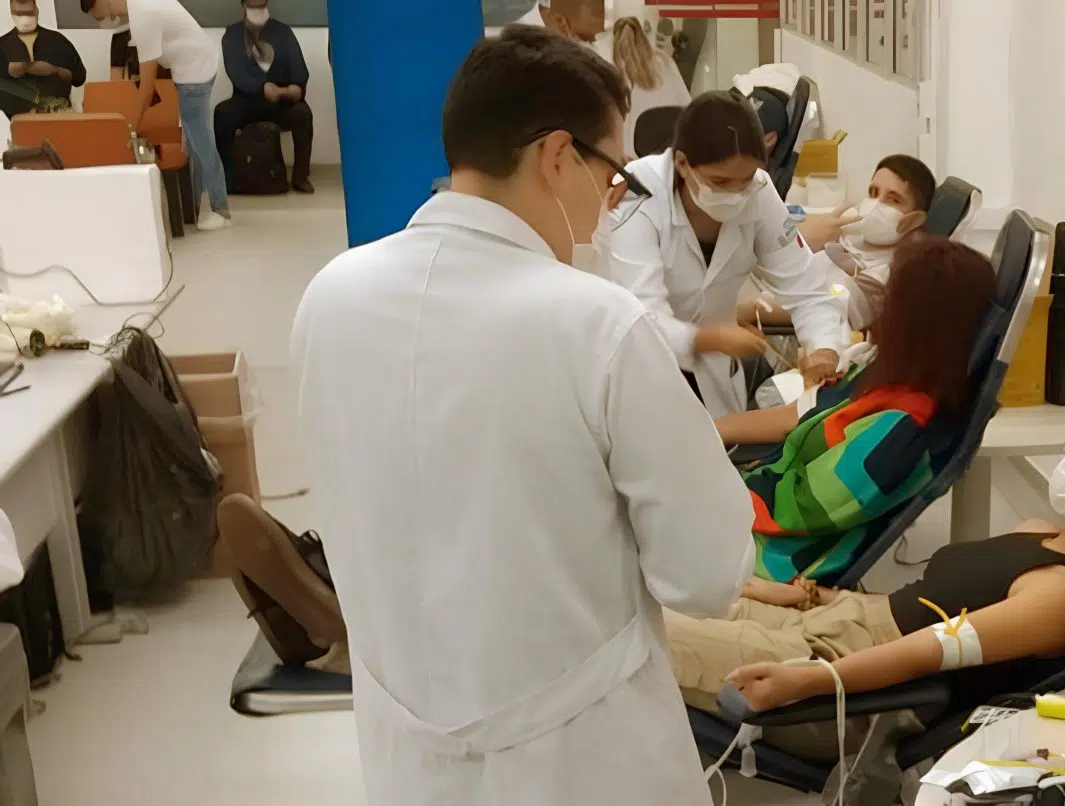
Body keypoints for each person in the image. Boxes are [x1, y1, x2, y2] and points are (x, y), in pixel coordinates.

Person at [291, 25, 754, 806]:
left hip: (409, 759)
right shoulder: (597, 325)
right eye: (610, 176)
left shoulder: (331, 296)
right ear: (557, 156)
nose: (609, 204)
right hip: (588, 763)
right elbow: (704, 575)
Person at [668, 407, 1065, 750]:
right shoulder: (1041, 532)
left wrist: (808, 682)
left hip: (847, 682)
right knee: (663, 588)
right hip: (835, 623)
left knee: (639, 630)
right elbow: (925, 603)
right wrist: (807, 598)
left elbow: (929, 649)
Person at [719, 237, 995, 584]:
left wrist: (717, 488)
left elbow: (800, 508)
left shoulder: (903, 430)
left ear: (917, 318)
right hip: (752, 510)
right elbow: (801, 416)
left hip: (765, 556)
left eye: (892, 296)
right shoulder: (890, 378)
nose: (881, 307)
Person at [608, 91, 848, 417]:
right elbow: (639, 319)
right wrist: (710, 339)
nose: (736, 193)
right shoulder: (636, 195)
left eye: (745, 180)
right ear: (681, 163)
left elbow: (808, 289)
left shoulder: (759, 191)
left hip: (716, 382)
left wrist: (823, 350)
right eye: (719, 181)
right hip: (640, 379)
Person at [744, 154, 937, 333]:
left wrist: (749, 310)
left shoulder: (884, 274)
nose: (875, 204)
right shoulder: (855, 239)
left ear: (913, 220)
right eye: (873, 192)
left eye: (893, 199)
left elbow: (828, 303)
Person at [84, 0, 231, 231]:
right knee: (194, 142)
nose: (99, 20)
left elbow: (147, 86)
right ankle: (198, 208)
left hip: (194, 74)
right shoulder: (141, 6)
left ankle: (219, 208)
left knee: (201, 143)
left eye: (96, 14)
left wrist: (131, 127)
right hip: (198, 64)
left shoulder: (144, 15)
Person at [216, 0, 314, 194]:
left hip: (281, 102)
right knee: (222, 114)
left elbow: (298, 68)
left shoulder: (283, 32)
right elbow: (236, 71)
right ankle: (226, 178)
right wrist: (261, 87)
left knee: (302, 114)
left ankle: (300, 177)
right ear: (243, 6)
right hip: (246, 101)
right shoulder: (233, 34)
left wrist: (294, 88)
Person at [611, 16, 688, 159]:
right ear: (643, 36)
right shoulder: (665, 63)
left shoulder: (614, 71)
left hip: (631, 161)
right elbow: (688, 107)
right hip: (669, 157)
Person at [0, 0, 86, 119]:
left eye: (28, 13)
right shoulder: (2, 46)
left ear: (36, 10)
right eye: (19, 13)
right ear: (11, 12)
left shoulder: (58, 41)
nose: (25, 18)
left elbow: (79, 78)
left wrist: (54, 71)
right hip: (15, 124)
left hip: (58, 118)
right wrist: (12, 71)